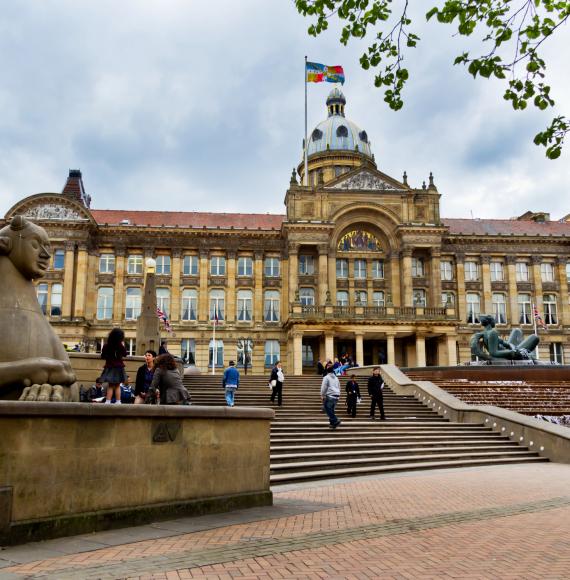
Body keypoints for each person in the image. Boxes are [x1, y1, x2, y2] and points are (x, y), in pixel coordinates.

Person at [100, 328, 127, 405]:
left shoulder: (106, 345)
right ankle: (118, 401)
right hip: (119, 367)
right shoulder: (120, 346)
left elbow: (103, 356)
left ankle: (108, 401)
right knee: (118, 385)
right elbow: (125, 354)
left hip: (109, 367)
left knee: (110, 385)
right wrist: (122, 345)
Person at [321, 363, 341, 429]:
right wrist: (338, 395)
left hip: (330, 395)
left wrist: (322, 394)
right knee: (331, 410)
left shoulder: (326, 377)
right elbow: (339, 386)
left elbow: (324, 387)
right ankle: (332, 424)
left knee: (327, 408)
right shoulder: (336, 378)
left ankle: (335, 420)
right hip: (336, 395)